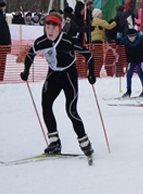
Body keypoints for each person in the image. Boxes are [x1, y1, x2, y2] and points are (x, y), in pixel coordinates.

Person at [20, 12, 96, 157]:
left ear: (59, 28)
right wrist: (26, 71)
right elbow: (30, 55)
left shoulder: (68, 41)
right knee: (46, 105)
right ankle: (54, 142)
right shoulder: (41, 42)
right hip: (53, 75)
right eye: (47, 27)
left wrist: (91, 73)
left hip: (69, 75)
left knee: (71, 110)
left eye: (53, 28)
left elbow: (89, 55)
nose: (50, 31)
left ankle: (85, 143)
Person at [116, 28, 143, 98]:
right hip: (131, 60)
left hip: (140, 60)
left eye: (133, 37)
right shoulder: (126, 40)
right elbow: (119, 42)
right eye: (130, 37)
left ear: (136, 35)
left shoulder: (140, 39)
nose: (131, 38)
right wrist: (118, 37)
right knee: (129, 75)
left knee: (140, 73)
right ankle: (128, 91)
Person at [0, 0, 10, 82]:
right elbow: (3, 31)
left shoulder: (2, 16)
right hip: (2, 44)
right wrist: (7, 42)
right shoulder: (1, 18)